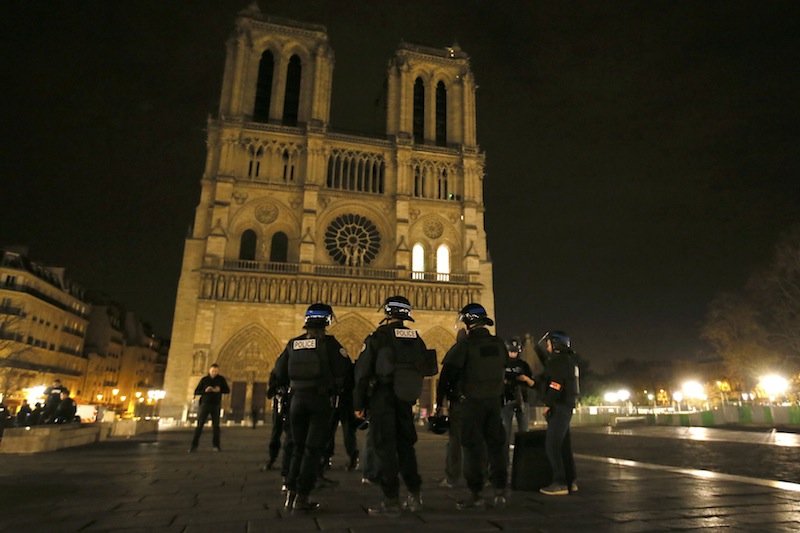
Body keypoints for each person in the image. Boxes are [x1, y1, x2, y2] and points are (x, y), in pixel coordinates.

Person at [353, 296, 434, 517]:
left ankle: (390, 501)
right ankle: (415, 496)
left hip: (383, 398)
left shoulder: (378, 337)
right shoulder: (416, 338)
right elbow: (428, 367)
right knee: (406, 447)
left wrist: (358, 403)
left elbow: (362, 374)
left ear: (387, 313)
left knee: (385, 447)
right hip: (405, 400)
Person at [271, 303, 352, 513]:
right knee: (312, 449)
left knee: (296, 447)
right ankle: (303, 496)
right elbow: (346, 370)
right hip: (319, 400)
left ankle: (289, 490)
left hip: (296, 400)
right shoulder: (330, 344)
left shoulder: (293, 344)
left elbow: (279, 372)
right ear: (326, 322)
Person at [437, 303, 508, 510]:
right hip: (494, 403)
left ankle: (476, 495)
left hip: (471, 404)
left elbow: (445, 378)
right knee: (496, 447)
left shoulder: (465, 346)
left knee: (471, 447)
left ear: (468, 321)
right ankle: (500, 491)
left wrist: (441, 403)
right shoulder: (499, 344)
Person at [531, 330, 579, 496]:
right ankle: (570, 480)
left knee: (552, 445)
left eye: (549, 343)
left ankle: (559, 482)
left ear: (556, 344)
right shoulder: (567, 361)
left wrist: (548, 403)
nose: (547, 346)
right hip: (565, 405)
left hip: (559, 406)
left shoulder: (558, 362)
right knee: (564, 446)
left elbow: (555, 384)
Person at [501, 337, 533, 457]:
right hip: (506, 400)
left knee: (524, 432)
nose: (513, 354)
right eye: (511, 351)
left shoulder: (523, 365)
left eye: (515, 351)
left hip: (522, 399)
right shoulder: (502, 364)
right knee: (504, 433)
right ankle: (504, 461)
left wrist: (525, 379)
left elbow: (532, 383)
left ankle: (524, 458)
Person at [189, 363, 230, 452]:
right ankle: (194, 446)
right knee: (199, 426)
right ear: (209, 370)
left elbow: (227, 390)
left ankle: (216, 446)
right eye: (212, 371)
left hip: (216, 405)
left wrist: (219, 390)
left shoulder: (221, 379)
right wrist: (205, 390)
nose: (214, 372)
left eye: (216, 371)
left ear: (218, 371)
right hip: (205, 405)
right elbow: (196, 391)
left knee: (216, 427)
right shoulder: (204, 379)